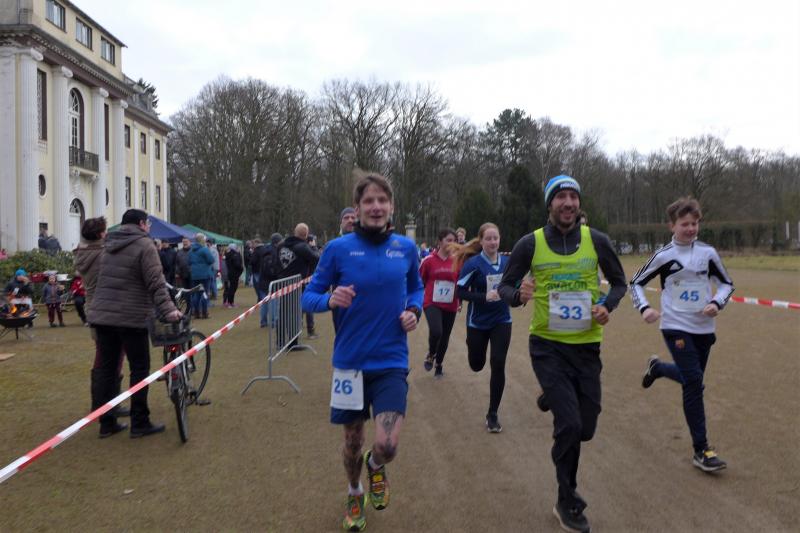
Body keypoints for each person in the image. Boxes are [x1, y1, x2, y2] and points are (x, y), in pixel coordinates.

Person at [498, 175, 627, 533]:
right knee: (569, 425)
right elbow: (505, 286)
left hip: (586, 347)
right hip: (547, 347)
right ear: (550, 203)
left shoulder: (596, 240)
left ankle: (552, 398)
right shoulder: (530, 243)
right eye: (561, 197)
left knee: (586, 429)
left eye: (573, 196)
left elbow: (619, 283)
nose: (568, 203)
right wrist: (518, 295)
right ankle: (566, 498)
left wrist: (607, 306)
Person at [301, 172, 423, 532]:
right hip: (350, 364)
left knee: (387, 445)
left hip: (391, 362)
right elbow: (308, 297)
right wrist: (329, 300)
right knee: (352, 443)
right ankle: (355, 491)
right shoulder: (338, 249)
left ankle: (376, 466)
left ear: (392, 206)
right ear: (357, 208)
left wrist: (414, 311)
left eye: (382, 200)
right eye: (368, 201)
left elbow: (416, 288)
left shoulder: (406, 248)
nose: (376, 206)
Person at [631, 197, 734, 473]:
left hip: (704, 329)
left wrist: (717, 303)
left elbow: (726, 284)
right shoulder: (663, 256)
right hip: (674, 325)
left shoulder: (708, 253)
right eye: (684, 224)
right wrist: (644, 308)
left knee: (691, 377)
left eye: (694, 223)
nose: (690, 229)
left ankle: (658, 368)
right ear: (672, 226)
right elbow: (636, 283)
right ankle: (702, 449)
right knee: (694, 382)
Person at [88, 209, 181, 439]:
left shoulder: (108, 245)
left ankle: (106, 422)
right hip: (131, 317)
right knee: (139, 369)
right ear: (141, 224)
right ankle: (140, 421)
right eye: (148, 223)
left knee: (107, 370)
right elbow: (156, 282)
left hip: (103, 316)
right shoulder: (145, 245)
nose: (149, 227)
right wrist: (169, 310)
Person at [452, 222, 512, 432]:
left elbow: (514, 285)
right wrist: (484, 297)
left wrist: (518, 295)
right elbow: (459, 292)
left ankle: (493, 414)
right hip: (477, 322)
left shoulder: (507, 262)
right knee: (476, 365)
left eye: (496, 238)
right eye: (488, 238)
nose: (493, 242)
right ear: (481, 241)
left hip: (502, 320)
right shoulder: (473, 264)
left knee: (498, 362)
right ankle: (472, 345)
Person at [75, 216, 130, 421]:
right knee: (109, 358)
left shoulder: (85, 252)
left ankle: (106, 404)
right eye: (105, 231)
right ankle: (104, 406)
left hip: (95, 307)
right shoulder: (101, 254)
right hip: (106, 309)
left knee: (107, 357)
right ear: (100, 234)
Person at [419, 228, 459, 378]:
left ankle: (439, 364)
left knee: (445, 336)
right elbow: (420, 281)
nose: (452, 243)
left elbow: (461, 283)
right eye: (449, 240)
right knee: (437, 331)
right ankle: (431, 354)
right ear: (440, 241)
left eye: (454, 241)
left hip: (451, 303)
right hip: (432, 302)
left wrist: (460, 300)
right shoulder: (428, 260)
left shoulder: (457, 261)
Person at [279, 223, 321, 339]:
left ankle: (281, 340)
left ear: (294, 232)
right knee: (303, 308)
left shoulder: (282, 246)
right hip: (300, 283)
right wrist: (313, 247)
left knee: (283, 312)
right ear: (306, 235)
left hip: (283, 282)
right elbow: (317, 258)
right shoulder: (303, 247)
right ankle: (302, 334)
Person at [189, 234, 215, 319]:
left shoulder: (191, 250)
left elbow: (189, 262)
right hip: (204, 275)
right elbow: (211, 260)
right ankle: (204, 312)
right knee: (204, 293)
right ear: (202, 240)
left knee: (196, 294)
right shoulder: (204, 249)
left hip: (195, 275)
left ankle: (196, 312)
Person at [224, 243, 244, 308]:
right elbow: (237, 264)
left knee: (231, 288)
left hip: (230, 273)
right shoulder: (234, 254)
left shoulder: (228, 254)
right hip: (234, 273)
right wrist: (241, 268)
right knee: (233, 288)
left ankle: (230, 302)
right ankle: (230, 302)